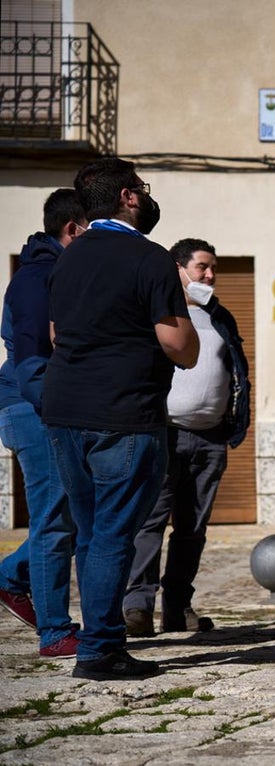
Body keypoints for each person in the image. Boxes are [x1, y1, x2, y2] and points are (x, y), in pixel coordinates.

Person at [44, 158, 199, 680]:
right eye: (142, 190)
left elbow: (54, 336)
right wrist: (190, 324)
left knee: (90, 533)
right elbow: (180, 348)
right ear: (129, 197)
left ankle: (97, 640)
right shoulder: (150, 257)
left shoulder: (66, 258)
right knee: (113, 534)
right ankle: (101, 650)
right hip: (125, 413)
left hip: (64, 410)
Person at [122, 238, 250, 637]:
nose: (210, 275)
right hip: (165, 435)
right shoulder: (157, 312)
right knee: (151, 522)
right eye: (202, 267)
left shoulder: (221, 317)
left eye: (213, 267)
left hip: (211, 438)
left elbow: (236, 372)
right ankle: (137, 607)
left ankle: (177, 608)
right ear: (178, 269)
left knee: (192, 530)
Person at [0, 189, 85, 658]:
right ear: (72, 229)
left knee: (67, 517)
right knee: (54, 520)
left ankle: (12, 575)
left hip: (45, 407)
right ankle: (55, 631)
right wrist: (52, 409)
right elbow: (33, 357)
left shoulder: (55, 270)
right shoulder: (38, 277)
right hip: (33, 410)